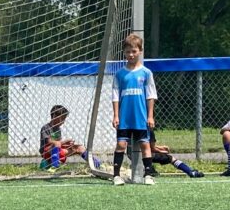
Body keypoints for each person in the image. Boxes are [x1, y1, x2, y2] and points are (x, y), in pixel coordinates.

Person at [110, 33, 158, 186]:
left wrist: (150, 116)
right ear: (124, 52)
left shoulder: (146, 73)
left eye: (134, 51)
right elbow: (115, 96)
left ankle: (148, 175)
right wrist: (116, 115)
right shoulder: (119, 74)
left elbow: (151, 96)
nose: (131, 54)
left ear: (140, 51)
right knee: (121, 145)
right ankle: (116, 176)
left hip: (141, 117)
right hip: (124, 117)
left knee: (145, 145)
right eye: (128, 51)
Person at [38, 104, 101, 173]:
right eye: (62, 118)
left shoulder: (58, 129)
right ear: (54, 116)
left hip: (57, 151)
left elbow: (59, 144)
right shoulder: (46, 128)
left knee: (79, 148)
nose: (63, 121)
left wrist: (67, 145)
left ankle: (96, 164)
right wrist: (64, 142)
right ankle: (54, 167)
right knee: (56, 144)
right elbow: (50, 142)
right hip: (46, 152)